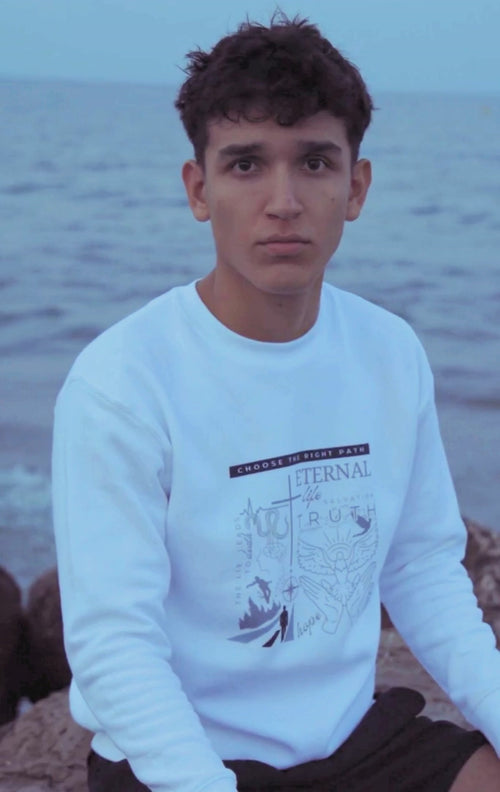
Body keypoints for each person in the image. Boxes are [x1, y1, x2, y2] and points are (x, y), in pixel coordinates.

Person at [52, 14, 500, 792]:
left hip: (352, 744)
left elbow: (422, 569)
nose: (284, 201)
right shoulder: (122, 381)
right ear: (200, 189)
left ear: (355, 187)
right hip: (183, 762)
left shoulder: (389, 351)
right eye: (247, 164)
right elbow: (115, 642)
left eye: (316, 162)